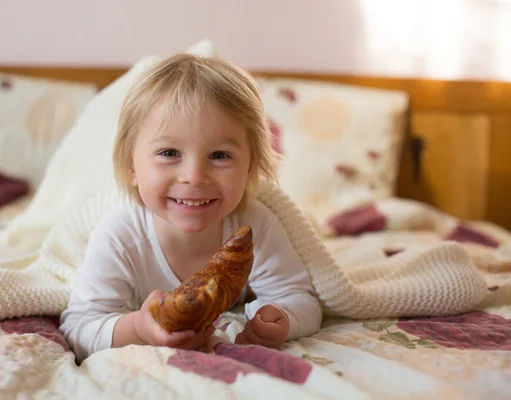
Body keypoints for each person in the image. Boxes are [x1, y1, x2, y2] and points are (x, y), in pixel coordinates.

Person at [59, 53, 322, 362]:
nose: (194, 177)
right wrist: (138, 329)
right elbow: (80, 326)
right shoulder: (119, 237)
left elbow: (302, 301)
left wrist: (280, 318)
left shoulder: (254, 227)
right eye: (169, 152)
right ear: (132, 166)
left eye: (220, 155)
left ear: (251, 168)